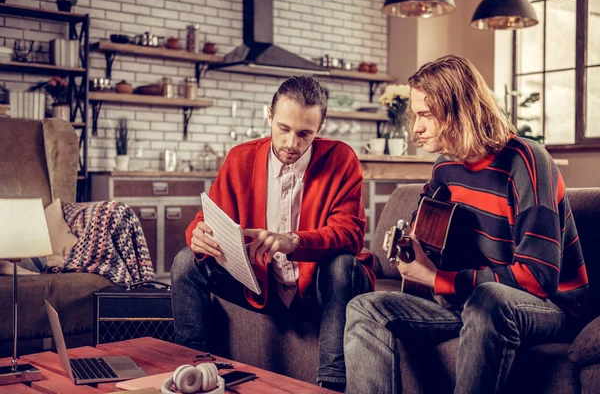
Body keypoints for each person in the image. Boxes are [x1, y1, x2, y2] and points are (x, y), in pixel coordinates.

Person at [344, 55, 588, 394]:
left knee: (488, 300)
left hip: (548, 306)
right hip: (468, 303)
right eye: (415, 115)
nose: (415, 127)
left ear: (460, 110)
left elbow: (539, 279)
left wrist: (437, 278)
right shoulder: (445, 168)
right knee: (365, 307)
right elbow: (422, 230)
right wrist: (410, 248)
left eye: (425, 115)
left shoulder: (528, 161)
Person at [171, 76, 375, 392]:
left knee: (341, 264)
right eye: (283, 128)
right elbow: (211, 216)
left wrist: (294, 241)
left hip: (318, 289)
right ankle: (196, 371)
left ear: (320, 129)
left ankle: (331, 385)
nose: (292, 143)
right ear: (269, 115)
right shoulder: (241, 157)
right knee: (186, 261)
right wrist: (198, 232)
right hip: (261, 283)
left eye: (304, 134)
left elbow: (350, 233)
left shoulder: (341, 159)